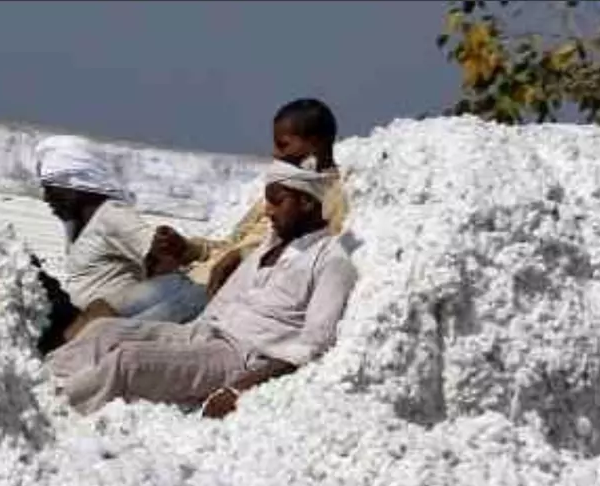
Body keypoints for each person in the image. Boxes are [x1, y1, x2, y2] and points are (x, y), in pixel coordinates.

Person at [44, 161, 357, 419]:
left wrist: (239, 388)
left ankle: (53, 412)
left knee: (128, 360)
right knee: (104, 331)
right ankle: (38, 382)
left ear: (305, 202)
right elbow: (221, 304)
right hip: (205, 332)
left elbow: (310, 348)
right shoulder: (268, 248)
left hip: (239, 357)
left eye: (277, 201)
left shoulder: (330, 262)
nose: (269, 212)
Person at [155, 97, 350, 300]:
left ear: (315, 144)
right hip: (193, 278)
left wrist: (242, 257)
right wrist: (188, 248)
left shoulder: (329, 195)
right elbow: (232, 244)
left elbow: (310, 253)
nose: (275, 153)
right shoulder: (281, 186)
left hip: (219, 293)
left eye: (283, 145)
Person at [32, 135, 208, 355]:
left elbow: (159, 257)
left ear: (75, 184)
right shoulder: (74, 224)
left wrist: (166, 249)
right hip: (77, 317)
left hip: (104, 319)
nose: (47, 198)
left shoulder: (112, 215)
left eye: (52, 189)